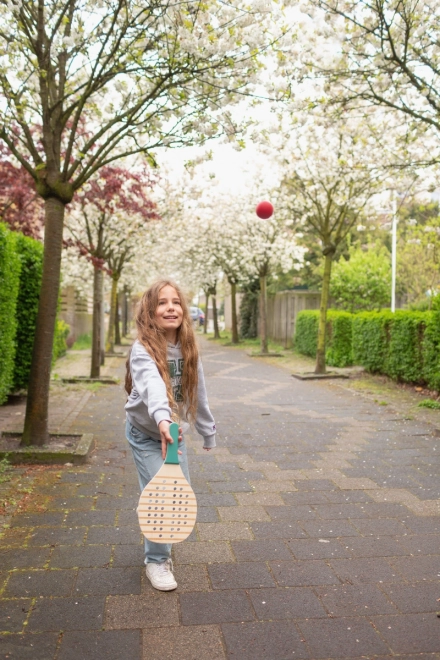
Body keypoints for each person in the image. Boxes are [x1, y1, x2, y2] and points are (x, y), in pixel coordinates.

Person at [124, 279, 216, 591]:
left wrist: (207, 430)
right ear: (150, 311)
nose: (170, 308)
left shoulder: (189, 347)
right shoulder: (142, 349)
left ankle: (155, 520)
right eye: (162, 303)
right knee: (162, 497)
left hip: (174, 434)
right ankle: (157, 560)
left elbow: (197, 392)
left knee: (178, 495)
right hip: (146, 431)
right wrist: (162, 420)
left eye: (175, 302)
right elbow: (151, 384)